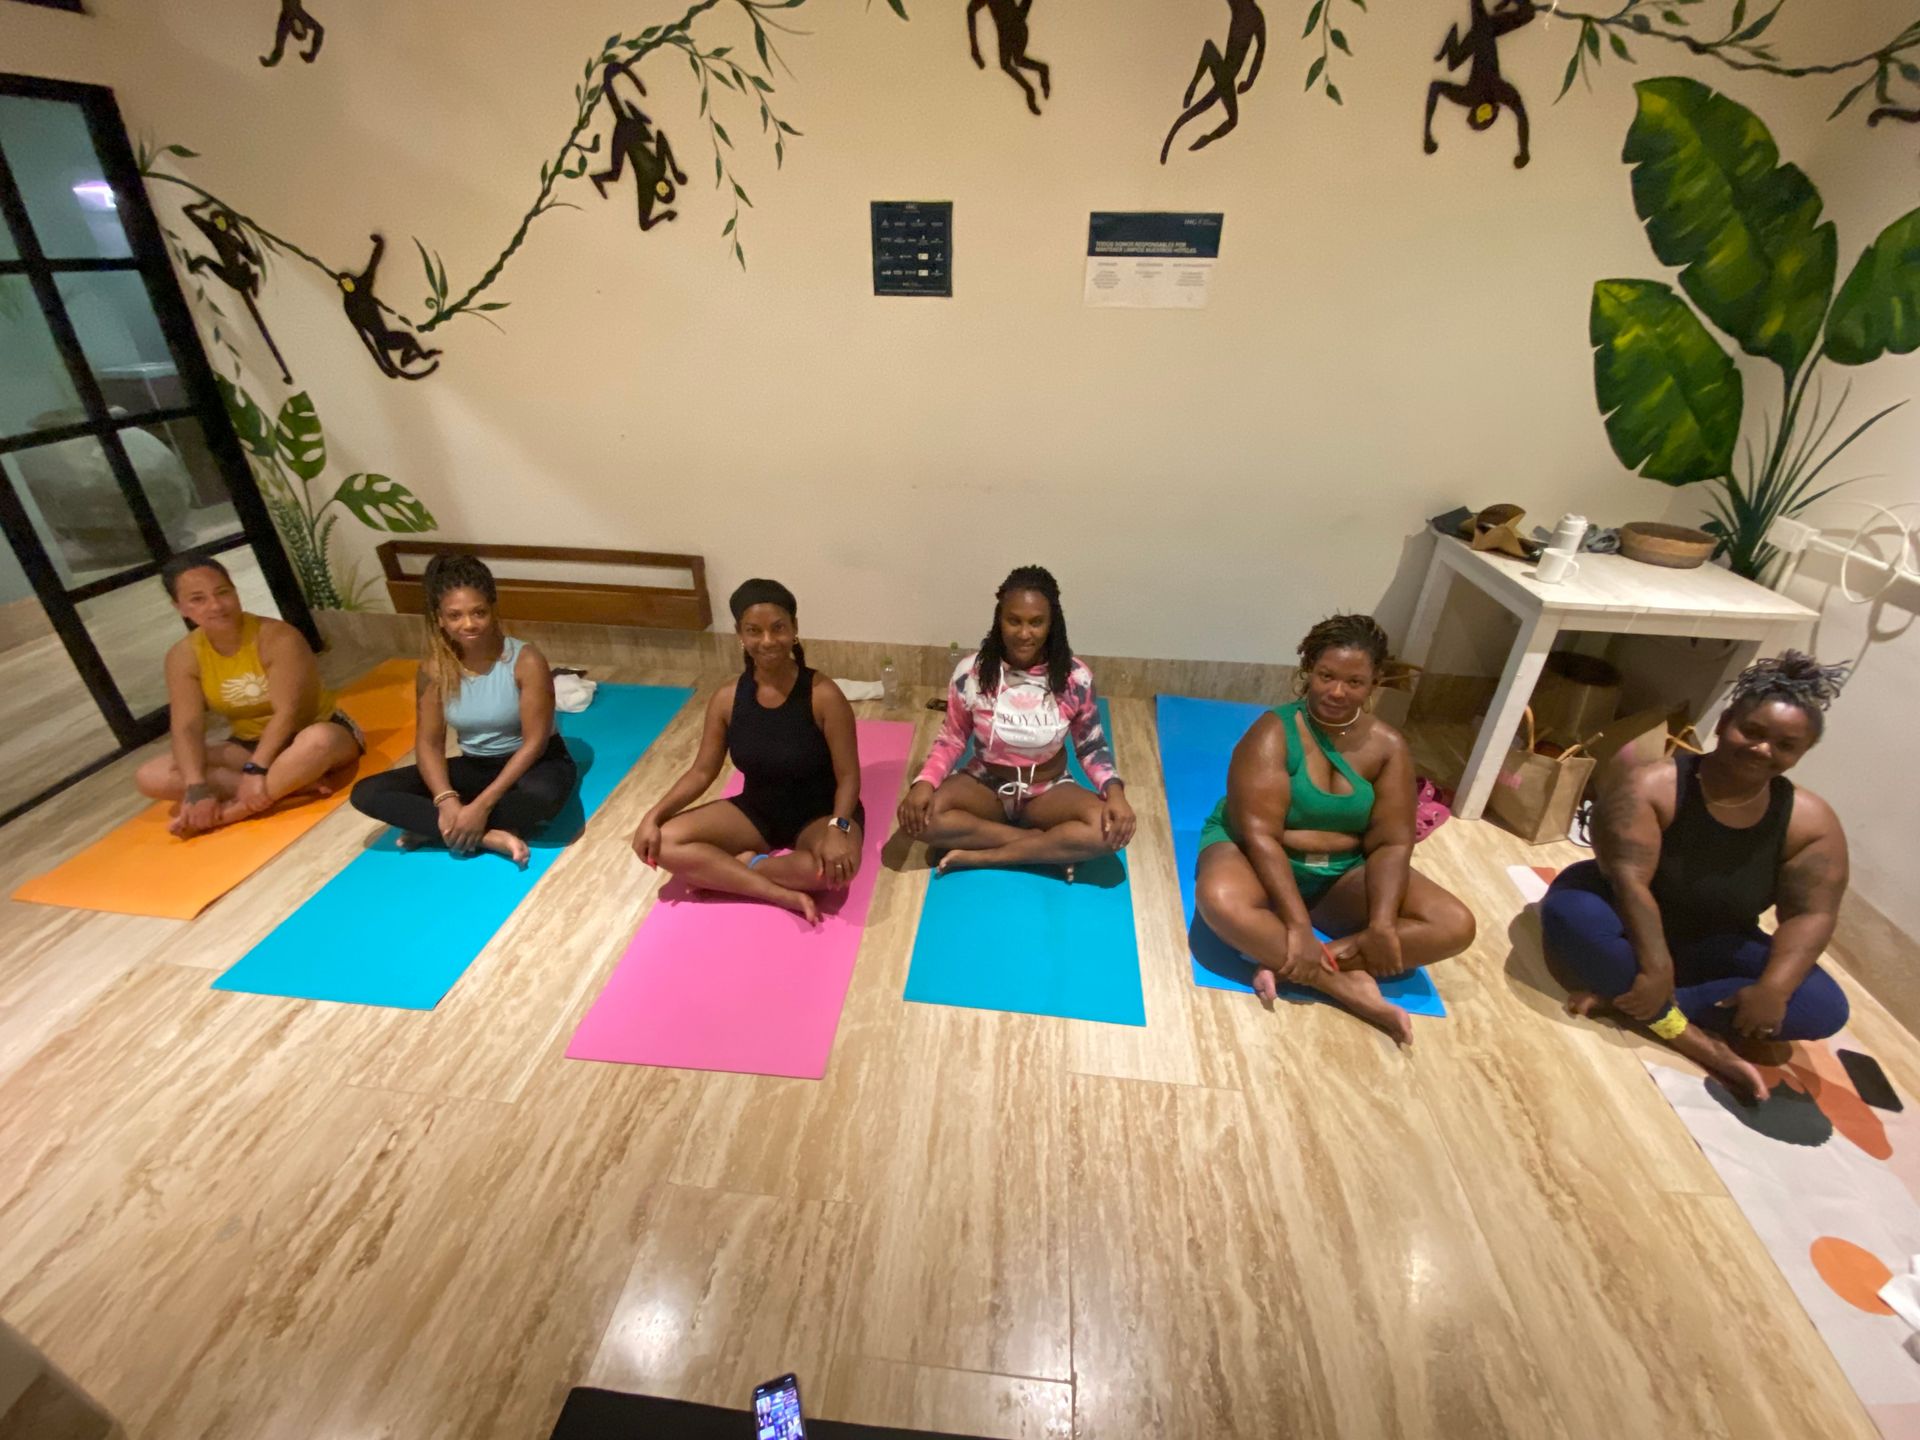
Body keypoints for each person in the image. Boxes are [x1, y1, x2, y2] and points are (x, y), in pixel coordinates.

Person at [1542, 651, 1853, 1101]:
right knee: (1569, 918)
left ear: (1801, 753)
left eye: (1785, 746)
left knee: (1822, 1007)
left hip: (1715, 936)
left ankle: (1631, 1000)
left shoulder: (1812, 822)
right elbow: (1630, 882)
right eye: (1753, 731)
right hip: (1618, 914)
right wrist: (1655, 965)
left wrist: (1773, 988)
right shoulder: (1651, 786)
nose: (1763, 749)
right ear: (1726, 721)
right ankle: (1693, 1039)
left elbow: (1812, 915)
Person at [1194, 614, 1476, 1043]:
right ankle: (1341, 983)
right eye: (1326, 676)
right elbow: (1260, 836)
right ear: (1309, 669)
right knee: (1219, 902)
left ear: (1374, 682)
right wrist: (1299, 928)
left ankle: (1287, 960)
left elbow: (1392, 842)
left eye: (1354, 682)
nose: (1337, 692)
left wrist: (1381, 925)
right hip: (1257, 858)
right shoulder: (1272, 732)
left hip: (1341, 872)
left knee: (1455, 924)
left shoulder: (1388, 746)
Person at [633, 578, 862, 924]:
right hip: (757, 811)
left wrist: (838, 827)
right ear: (740, 634)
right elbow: (701, 771)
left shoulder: (824, 695)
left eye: (778, 628)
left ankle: (742, 868)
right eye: (754, 631)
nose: (767, 641)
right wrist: (653, 816)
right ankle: (776, 892)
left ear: (795, 629)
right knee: (664, 843)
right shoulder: (726, 698)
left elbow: (848, 777)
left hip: (821, 812)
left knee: (830, 871)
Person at [897, 565, 1134, 877]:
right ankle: (1041, 847)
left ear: (1052, 624)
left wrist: (1115, 794)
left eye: (1036, 622)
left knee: (1107, 830)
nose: (1024, 633)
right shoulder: (971, 673)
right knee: (919, 818)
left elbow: (1091, 746)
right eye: (1014, 621)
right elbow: (952, 738)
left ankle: (983, 857)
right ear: (1000, 620)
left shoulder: (1075, 678)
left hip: (1048, 789)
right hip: (986, 783)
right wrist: (924, 783)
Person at [349, 553, 576, 867]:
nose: (468, 624)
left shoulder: (526, 660)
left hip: (535, 764)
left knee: (540, 798)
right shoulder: (433, 669)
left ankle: (440, 829)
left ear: (492, 610)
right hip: (478, 765)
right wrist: (447, 800)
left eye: (478, 612)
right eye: (455, 616)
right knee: (367, 792)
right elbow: (429, 743)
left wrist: (481, 806)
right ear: (440, 618)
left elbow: (534, 743)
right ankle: (486, 836)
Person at [137, 551, 364, 835]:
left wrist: (256, 769)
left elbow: (290, 713)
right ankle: (290, 785)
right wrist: (196, 789)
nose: (216, 605)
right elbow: (187, 727)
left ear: (235, 591)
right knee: (150, 775)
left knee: (318, 740)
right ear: (180, 607)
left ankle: (233, 812)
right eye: (198, 599)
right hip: (246, 747)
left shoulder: (279, 637)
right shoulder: (182, 656)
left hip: (310, 734)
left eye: (223, 592)